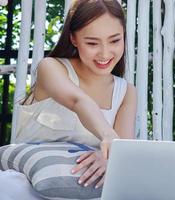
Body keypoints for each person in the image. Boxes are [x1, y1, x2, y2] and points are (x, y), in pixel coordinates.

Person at [0, 0, 137, 199]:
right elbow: (77, 101)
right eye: (92, 43)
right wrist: (109, 136)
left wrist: (109, 158)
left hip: (86, 188)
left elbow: (125, 152)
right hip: (26, 188)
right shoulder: (50, 67)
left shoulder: (126, 92)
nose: (105, 53)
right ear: (73, 39)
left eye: (115, 40)